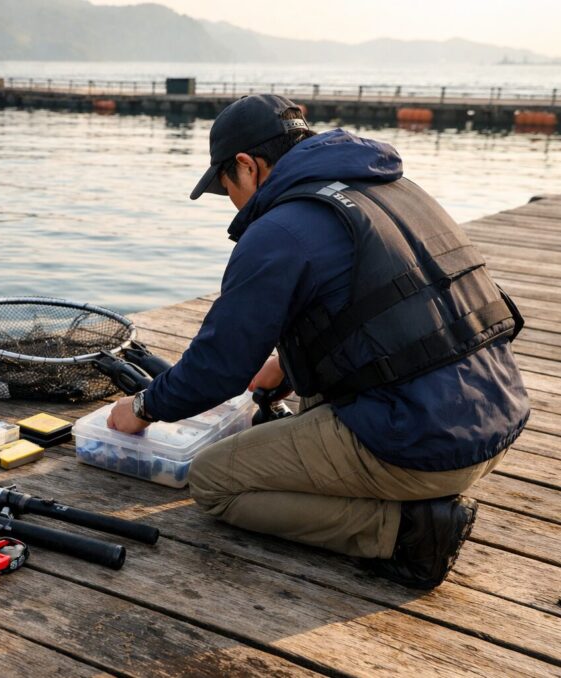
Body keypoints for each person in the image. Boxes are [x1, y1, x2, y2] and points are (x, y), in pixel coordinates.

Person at [106, 94, 530, 589]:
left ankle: (407, 532)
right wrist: (286, 366)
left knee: (213, 481)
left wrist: (143, 407)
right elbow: (388, 307)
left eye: (227, 187)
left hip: (425, 445)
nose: (234, 202)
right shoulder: (394, 188)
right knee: (304, 402)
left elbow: (216, 370)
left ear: (247, 165)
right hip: (496, 416)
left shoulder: (280, 230)